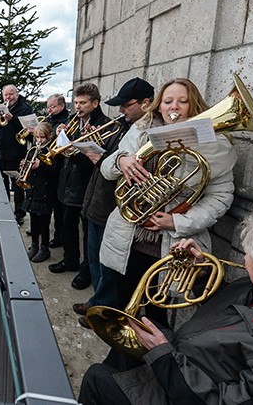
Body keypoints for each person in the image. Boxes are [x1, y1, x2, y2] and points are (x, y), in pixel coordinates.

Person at [79, 211, 253, 404]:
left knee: (97, 378)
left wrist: (164, 357)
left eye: (249, 254)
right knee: (131, 337)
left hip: (189, 387)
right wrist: (199, 273)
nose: (244, 259)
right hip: (190, 360)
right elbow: (233, 311)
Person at [95, 78, 237, 326]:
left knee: (157, 314)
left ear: (194, 106)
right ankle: (120, 359)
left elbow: (221, 198)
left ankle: (153, 358)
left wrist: (178, 221)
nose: (174, 107)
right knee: (121, 301)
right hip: (127, 237)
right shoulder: (140, 130)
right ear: (158, 105)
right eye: (168, 101)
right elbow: (107, 169)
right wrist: (121, 161)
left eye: (183, 102)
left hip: (172, 244)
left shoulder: (216, 145)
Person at [73, 78, 154, 322]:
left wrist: (103, 154)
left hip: (113, 205)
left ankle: (103, 311)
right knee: (98, 260)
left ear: (146, 103)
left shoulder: (139, 130)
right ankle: (97, 302)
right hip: (97, 200)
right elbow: (109, 162)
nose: (120, 110)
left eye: (126, 105)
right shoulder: (126, 126)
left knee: (108, 266)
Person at [49, 83, 109, 284]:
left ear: (95, 103)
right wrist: (61, 135)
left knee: (87, 234)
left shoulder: (103, 124)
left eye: (83, 103)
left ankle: (86, 271)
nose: (78, 107)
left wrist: (71, 153)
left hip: (86, 187)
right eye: (76, 102)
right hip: (67, 183)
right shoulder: (73, 121)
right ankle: (70, 260)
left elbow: (96, 162)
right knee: (67, 226)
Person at [0, 84, 34, 225]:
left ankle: (19, 213)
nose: (8, 97)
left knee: (17, 186)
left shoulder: (25, 109)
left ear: (17, 94)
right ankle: (4, 211)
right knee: (1, 184)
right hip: (0, 152)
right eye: (6, 95)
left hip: (17, 153)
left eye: (11, 94)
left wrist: (13, 119)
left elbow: (30, 131)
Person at [20, 122, 59, 263]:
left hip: (45, 190)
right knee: (34, 220)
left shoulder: (52, 150)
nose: (39, 140)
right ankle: (34, 244)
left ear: (49, 136)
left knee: (44, 221)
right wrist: (26, 165)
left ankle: (44, 247)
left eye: (42, 137)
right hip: (33, 188)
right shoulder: (34, 148)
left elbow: (55, 171)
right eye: (37, 137)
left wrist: (40, 165)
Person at [44, 93, 70, 248]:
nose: (49, 110)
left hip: (59, 167)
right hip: (50, 167)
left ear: (62, 106)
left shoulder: (66, 121)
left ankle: (58, 236)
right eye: (48, 107)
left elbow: (61, 144)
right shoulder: (49, 120)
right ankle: (53, 233)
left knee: (59, 208)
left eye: (52, 107)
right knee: (52, 203)